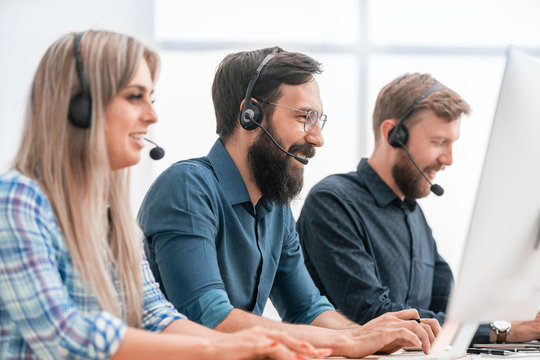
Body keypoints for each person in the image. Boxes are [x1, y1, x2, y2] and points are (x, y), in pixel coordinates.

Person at [0, 30, 330, 360]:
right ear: (79, 107)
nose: (152, 116)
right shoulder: (17, 200)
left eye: (151, 99)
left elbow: (156, 317)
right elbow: (63, 335)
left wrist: (251, 349)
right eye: (134, 97)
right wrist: (225, 347)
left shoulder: (109, 217)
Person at [138, 47, 441, 358]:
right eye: (304, 118)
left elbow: (306, 308)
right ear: (250, 116)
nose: (318, 138)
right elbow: (212, 319)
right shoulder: (187, 188)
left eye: (318, 119)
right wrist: (349, 342)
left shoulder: (276, 207)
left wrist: (369, 334)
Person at [296, 72, 540, 344]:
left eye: (451, 143)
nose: (448, 159)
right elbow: (374, 315)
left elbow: (450, 312)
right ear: (393, 135)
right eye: (438, 142)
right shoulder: (333, 202)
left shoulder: (414, 216)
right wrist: (504, 331)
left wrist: (521, 317)